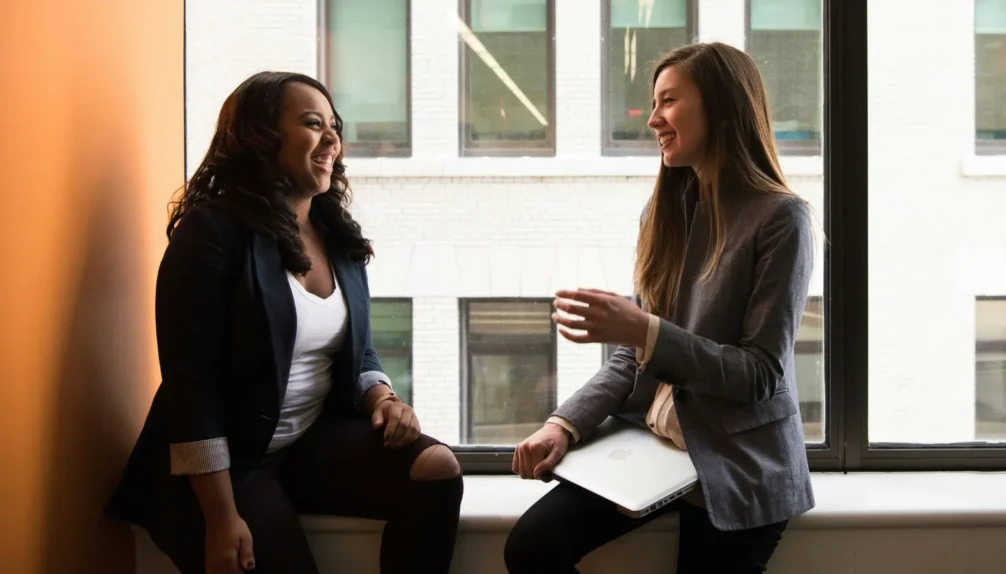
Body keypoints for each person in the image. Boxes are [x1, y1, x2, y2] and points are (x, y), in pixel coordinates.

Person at [105, 71, 463, 574]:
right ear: (261, 137)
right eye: (314, 124)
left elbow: (354, 348)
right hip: (226, 468)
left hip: (304, 442)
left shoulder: (335, 235)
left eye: (335, 126)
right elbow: (192, 387)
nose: (333, 138)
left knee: (437, 469)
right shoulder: (211, 233)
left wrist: (383, 396)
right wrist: (221, 517)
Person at [504, 42, 817, 573]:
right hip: (654, 449)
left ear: (721, 106)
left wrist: (647, 331)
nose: (652, 119)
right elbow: (632, 360)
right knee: (531, 548)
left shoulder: (782, 219)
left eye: (668, 101)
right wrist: (563, 425)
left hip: (738, 462)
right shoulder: (665, 210)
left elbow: (761, 374)